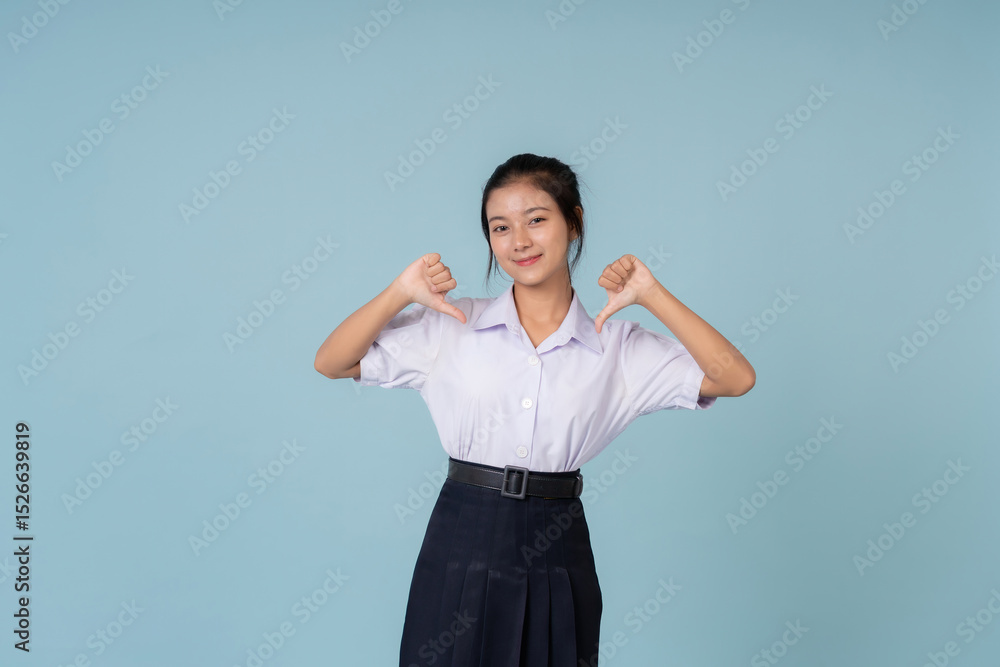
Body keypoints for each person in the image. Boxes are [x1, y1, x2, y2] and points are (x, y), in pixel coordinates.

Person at [314, 153, 756, 667]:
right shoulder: (453, 324)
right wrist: (399, 293)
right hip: (462, 533)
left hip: (556, 541)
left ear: (574, 222)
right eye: (500, 227)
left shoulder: (617, 347)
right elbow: (333, 362)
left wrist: (651, 295)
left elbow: (735, 377)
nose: (519, 241)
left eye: (537, 219)